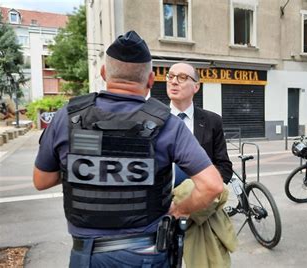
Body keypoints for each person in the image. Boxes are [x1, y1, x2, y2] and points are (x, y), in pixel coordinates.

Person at [33, 30, 223, 268]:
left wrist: (87, 164)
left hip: (87, 255)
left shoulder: (67, 117)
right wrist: (179, 210)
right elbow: (212, 185)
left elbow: (41, 180)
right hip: (146, 254)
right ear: (151, 80)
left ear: (104, 73)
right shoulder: (167, 124)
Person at [166, 62, 237, 268]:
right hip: (165, 208)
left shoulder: (212, 121)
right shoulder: (156, 119)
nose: (174, 81)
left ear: (196, 86)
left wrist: (198, 194)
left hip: (202, 211)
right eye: (171, 76)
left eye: (182, 77)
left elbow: (224, 166)